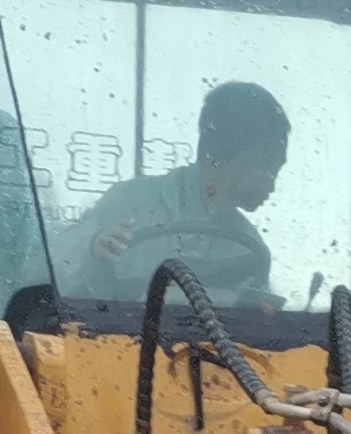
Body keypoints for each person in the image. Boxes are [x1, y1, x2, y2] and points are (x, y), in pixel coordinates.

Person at [55, 81, 290, 308]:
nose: (272, 185)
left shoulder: (249, 247)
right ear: (215, 155)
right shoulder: (130, 201)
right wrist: (92, 247)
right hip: (110, 342)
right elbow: (45, 272)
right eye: (265, 168)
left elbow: (259, 328)